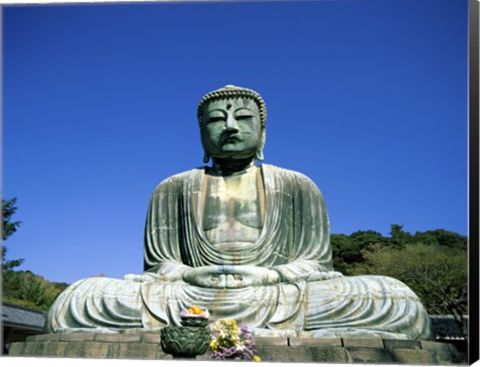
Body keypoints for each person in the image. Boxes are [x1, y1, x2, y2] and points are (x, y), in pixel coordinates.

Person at [45, 85, 433, 340]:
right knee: (80, 298)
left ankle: (236, 326)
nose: (229, 127)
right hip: (190, 295)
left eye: (243, 118)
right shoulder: (173, 187)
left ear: (263, 131)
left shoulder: (297, 184)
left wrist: (268, 274)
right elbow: (160, 265)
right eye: (216, 120)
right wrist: (189, 273)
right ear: (201, 132)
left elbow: (315, 263)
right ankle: (240, 327)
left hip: (277, 295)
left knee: (394, 299)